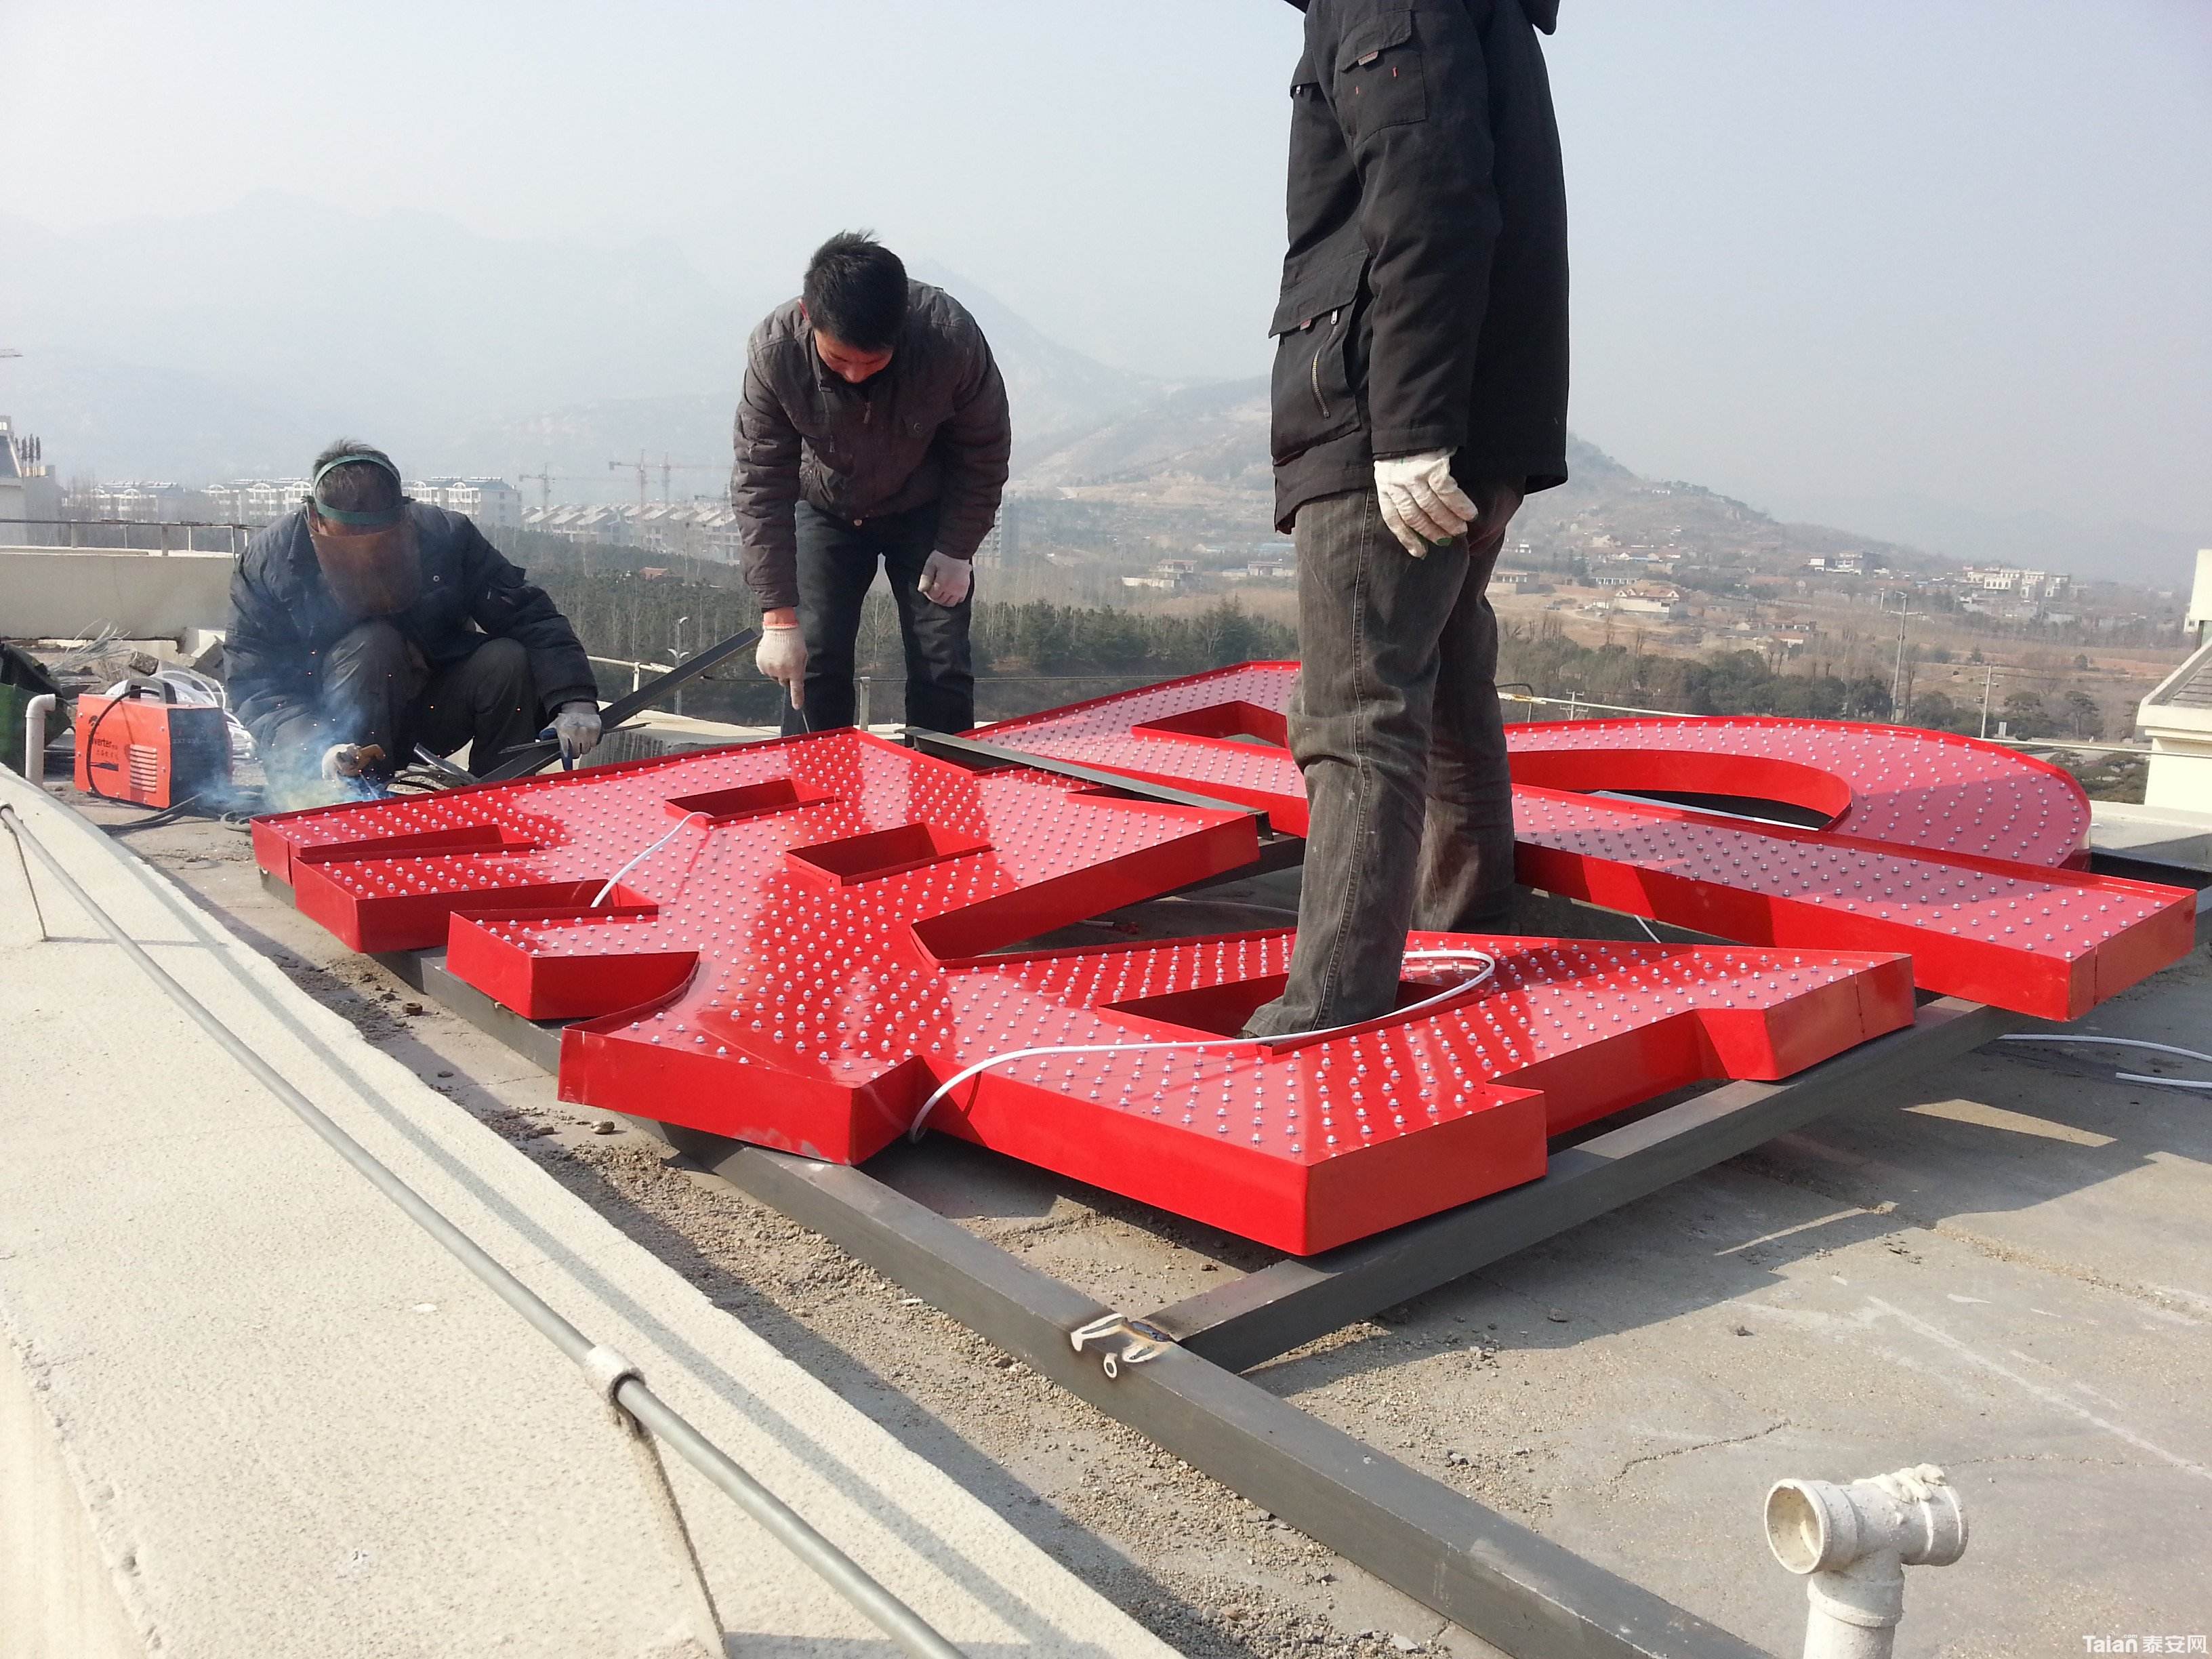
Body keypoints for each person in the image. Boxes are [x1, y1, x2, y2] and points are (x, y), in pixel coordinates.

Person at [1244, 0, 1570, 1038]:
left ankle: (1328, 1012)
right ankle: (1469, 944)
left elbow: (1431, 195)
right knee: (1445, 691)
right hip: (1462, 414)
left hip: (1384, 415)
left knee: (1356, 717)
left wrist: (1412, 429)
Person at [731, 232, 1011, 734]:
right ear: (809, 316)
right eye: (839, 360)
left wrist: (958, 548)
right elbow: (760, 481)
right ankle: (815, 776)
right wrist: (778, 615)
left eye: (873, 361)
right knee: (813, 654)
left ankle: (942, 773)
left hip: (926, 506)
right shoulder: (777, 351)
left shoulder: (949, 339)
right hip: (825, 505)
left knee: (941, 657)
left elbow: (984, 451)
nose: (856, 375)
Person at [226, 442, 600, 800]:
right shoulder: (271, 562)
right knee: (373, 643)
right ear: (315, 518)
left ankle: (499, 795)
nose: (367, 555)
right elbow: (255, 683)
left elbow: (529, 615)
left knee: (506, 659)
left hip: (426, 716)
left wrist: (574, 700)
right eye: (351, 541)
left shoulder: (447, 536)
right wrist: (318, 746)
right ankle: (355, 799)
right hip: (327, 737)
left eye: (379, 541)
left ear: (404, 516)